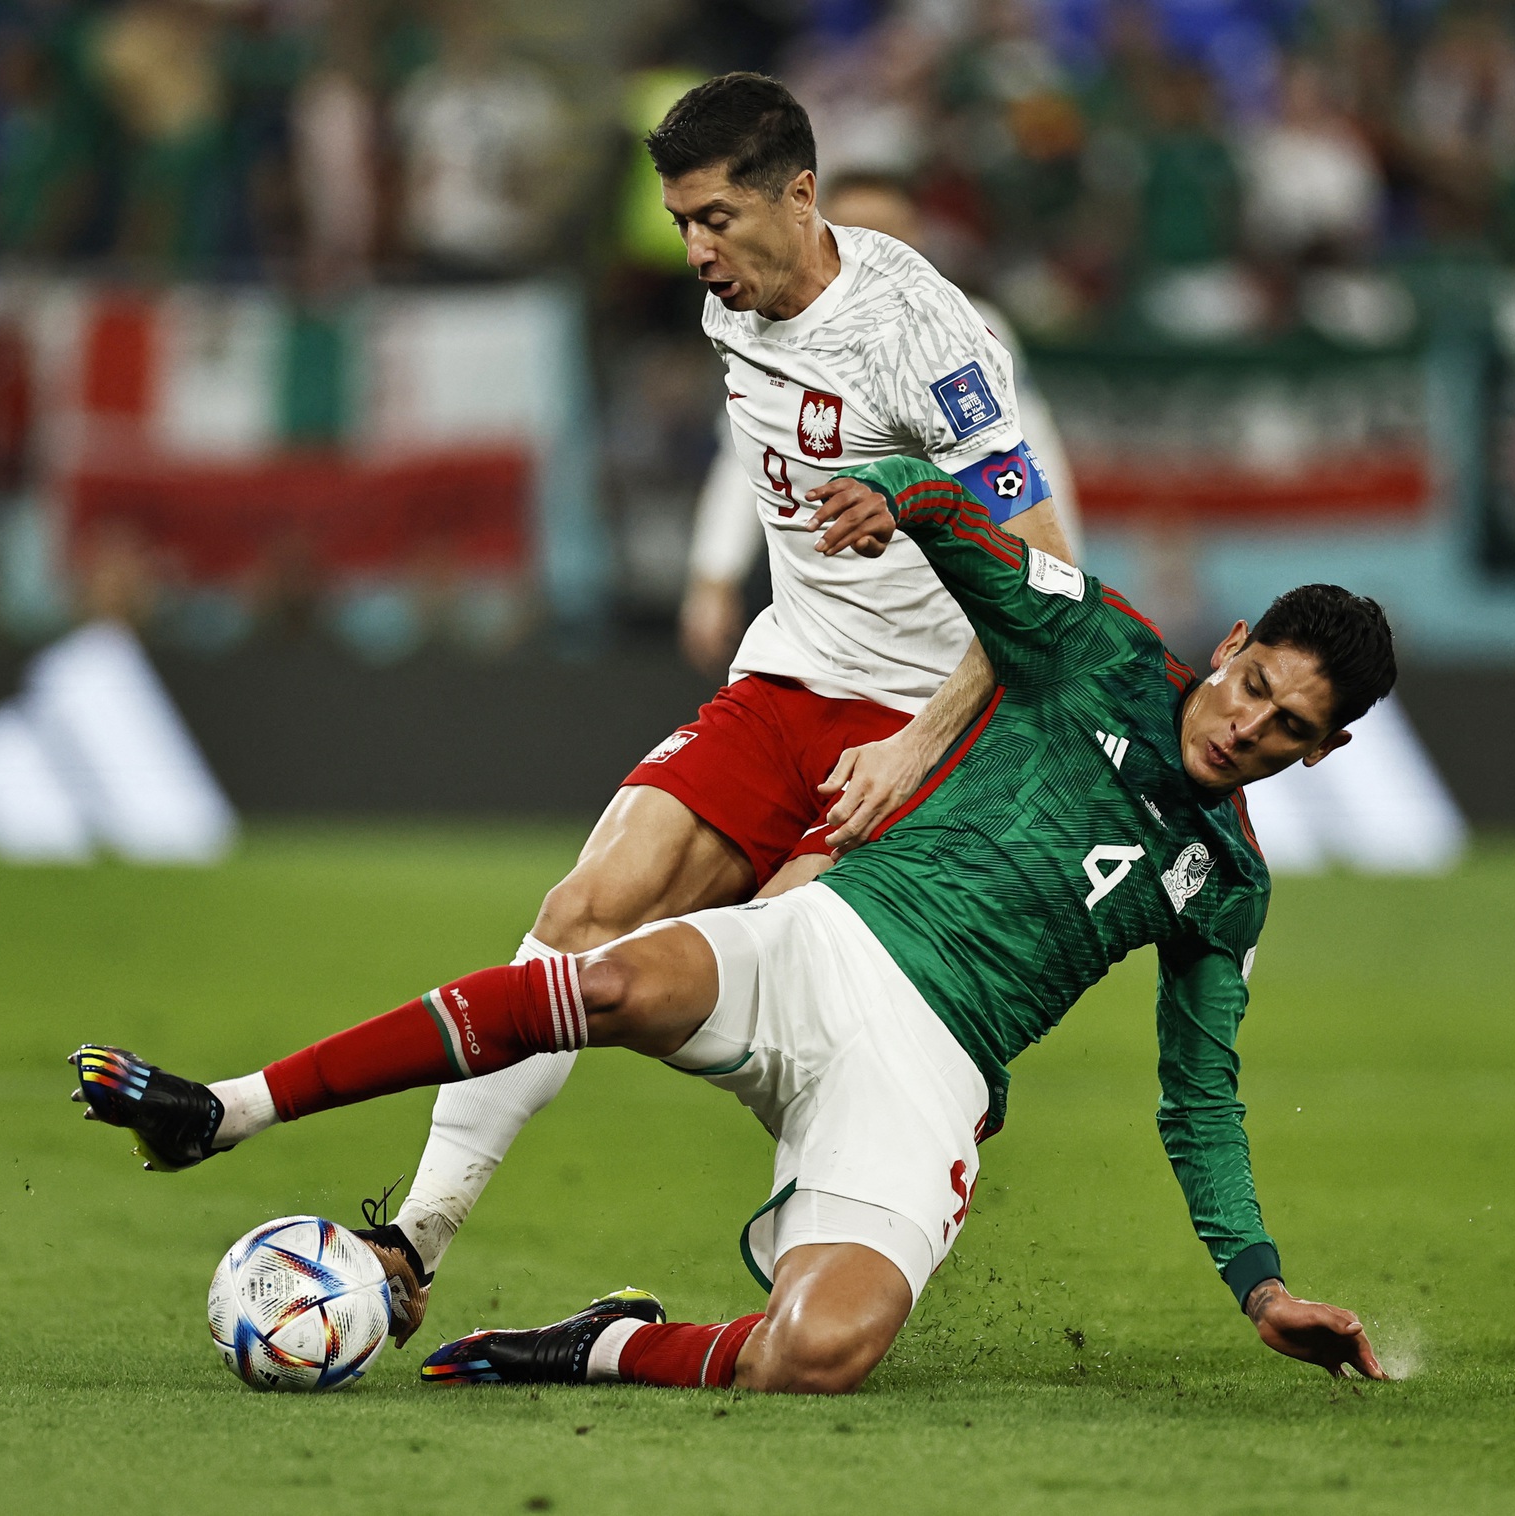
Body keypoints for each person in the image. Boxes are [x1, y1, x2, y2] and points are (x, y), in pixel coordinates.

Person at [71, 453, 1392, 1395]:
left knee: (824, 1353)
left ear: (1322, 755)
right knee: (601, 973)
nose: (1247, 728)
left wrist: (1263, 1287)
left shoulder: (1228, 884)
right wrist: (901, 495)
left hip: (930, 1076)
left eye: (1290, 729)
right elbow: (968, 521)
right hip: (827, 944)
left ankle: (595, 1344)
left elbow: (1199, 1098)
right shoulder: (1097, 644)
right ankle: (233, 1112)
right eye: (1254, 685)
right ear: (1229, 645)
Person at [353, 72, 1077, 1336]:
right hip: (783, 677)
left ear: (800, 197)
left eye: (717, 219)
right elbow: (769, 459)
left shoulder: (932, 340)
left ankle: (917, 1085)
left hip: (926, 721)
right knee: (581, 915)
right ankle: (413, 1240)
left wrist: (918, 741)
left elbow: (1051, 573)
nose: (695, 250)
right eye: (680, 222)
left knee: (775, 976)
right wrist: (712, 577)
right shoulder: (729, 306)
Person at [679, 168, 1084, 679]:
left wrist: (1064, 579)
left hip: (942, 615)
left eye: (888, 232)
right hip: (821, 618)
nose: (869, 246)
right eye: (853, 229)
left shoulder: (964, 331)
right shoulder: (772, 324)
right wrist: (713, 573)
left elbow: (1025, 463)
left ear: (916, 238)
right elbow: (744, 459)